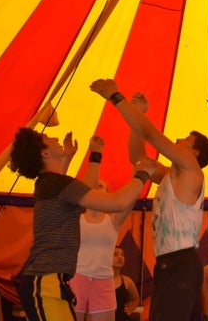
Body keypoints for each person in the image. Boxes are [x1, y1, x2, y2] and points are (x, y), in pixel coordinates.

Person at [89, 81, 208, 321]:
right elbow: (137, 158)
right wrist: (137, 114)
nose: (179, 138)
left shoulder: (191, 169)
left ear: (195, 153)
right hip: (171, 263)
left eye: (187, 139)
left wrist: (116, 97)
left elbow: (150, 134)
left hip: (180, 263)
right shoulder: (171, 175)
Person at [8, 129, 156, 321]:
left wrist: (93, 154)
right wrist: (142, 174)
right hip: (45, 282)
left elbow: (81, 188)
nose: (54, 137)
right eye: (47, 138)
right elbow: (118, 202)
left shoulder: (51, 184)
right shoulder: (54, 184)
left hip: (55, 283)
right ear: (44, 153)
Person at [70, 136, 135, 321]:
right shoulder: (76, 218)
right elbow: (82, 189)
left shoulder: (113, 220)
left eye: (101, 187)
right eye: (94, 186)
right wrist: (95, 152)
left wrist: (137, 170)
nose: (97, 188)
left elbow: (129, 198)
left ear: (107, 195)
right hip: (78, 277)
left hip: (103, 281)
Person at [112, 246, 140, 321]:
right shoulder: (101, 280)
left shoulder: (127, 281)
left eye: (122, 255)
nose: (120, 257)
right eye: (115, 254)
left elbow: (136, 299)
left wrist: (130, 309)